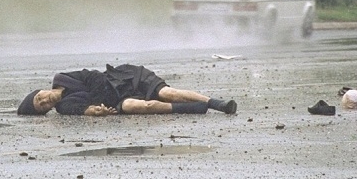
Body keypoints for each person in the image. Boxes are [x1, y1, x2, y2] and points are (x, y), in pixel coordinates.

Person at [16, 63, 237, 117]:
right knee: (140, 106)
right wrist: (98, 111)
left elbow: (93, 77)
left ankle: (214, 103)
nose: (45, 101)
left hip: (123, 78)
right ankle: (195, 109)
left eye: (39, 97)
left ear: (40, 90)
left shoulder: (62, 78)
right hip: (118, 101)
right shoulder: (65, 108)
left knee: (166, 93)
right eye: (42, 106)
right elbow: (88, 112)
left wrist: (96, 102)